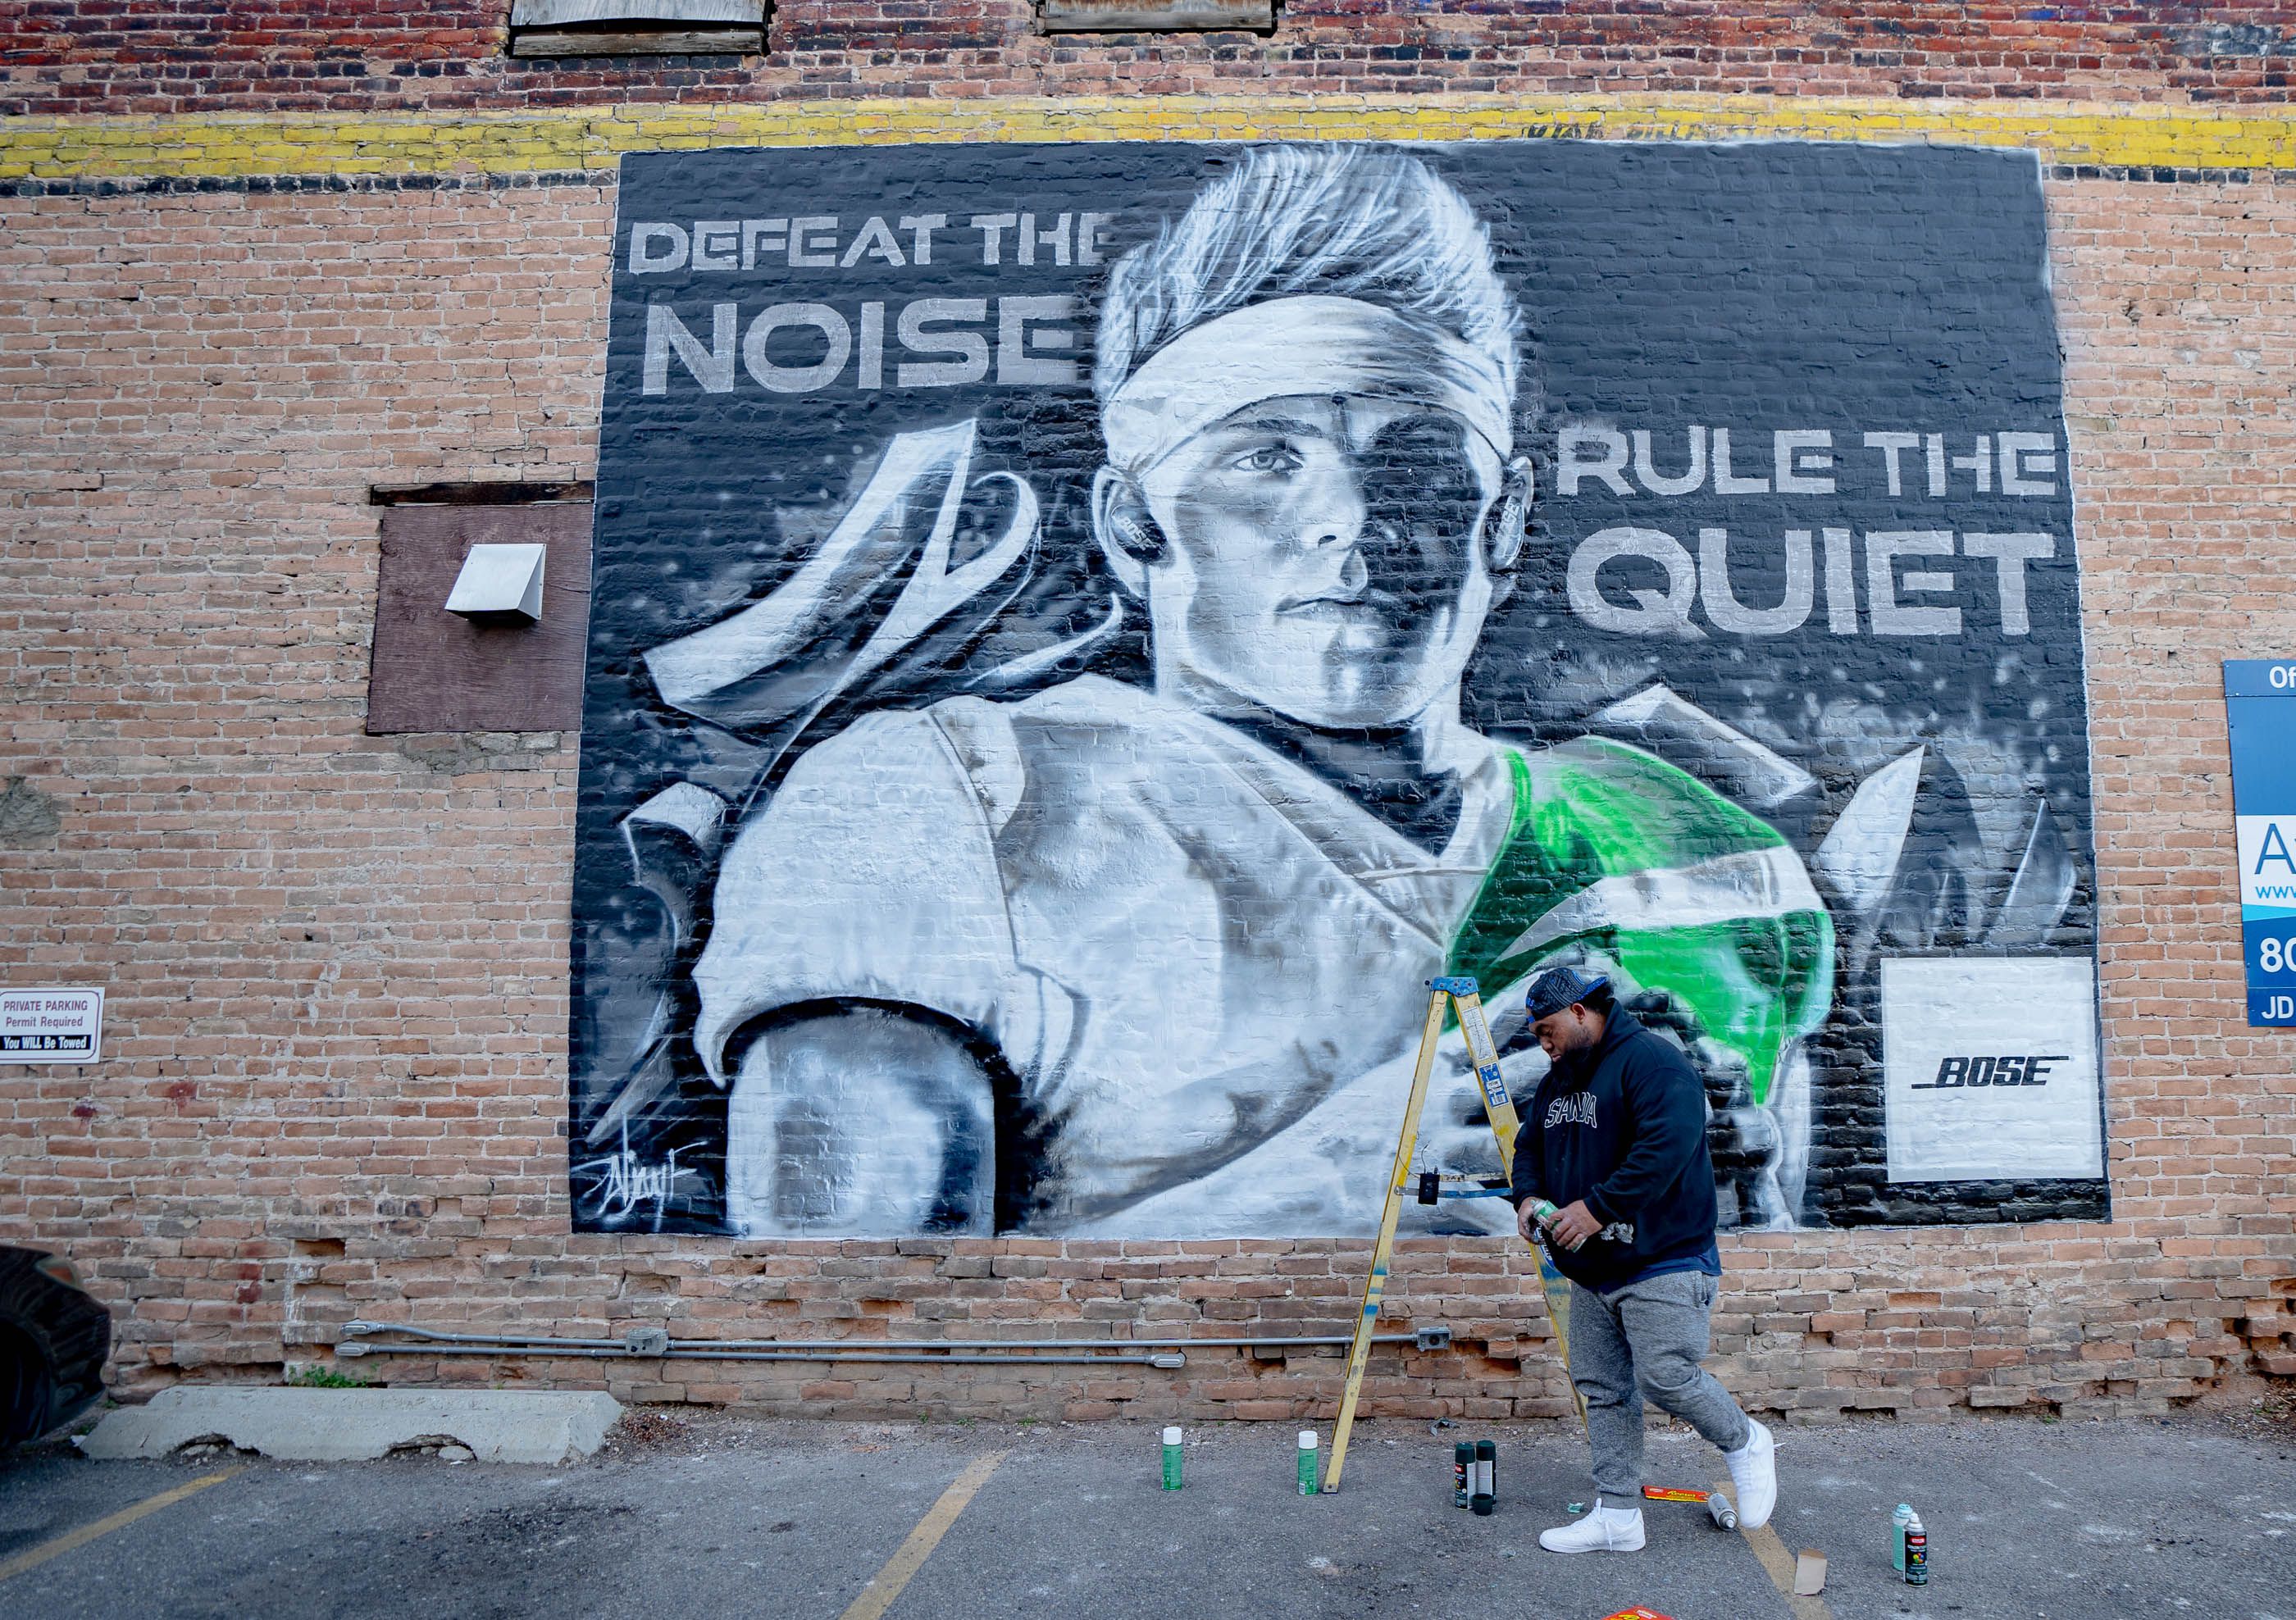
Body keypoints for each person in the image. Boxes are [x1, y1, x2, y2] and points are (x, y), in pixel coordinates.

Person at [686, 144, 1832, 1236]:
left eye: (1422, 455)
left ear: (1507, 517)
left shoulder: (1694, 854)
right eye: (1263, 456)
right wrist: (1359, 1181)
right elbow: (844, 1325)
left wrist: (1731, 1229)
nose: (1355, 515)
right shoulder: (949, 802)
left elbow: (1770, 1259)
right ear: (1133, 520)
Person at [1510, 962, 1779, 1552]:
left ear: (1582, 1012)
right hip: (1593, 1271)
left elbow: (1669, 1145)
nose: (1542, 1039)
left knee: (1666, 1376)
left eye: (1548, 1026)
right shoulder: (1560, 1078)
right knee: (1603, 1389)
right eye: (1536, 1030)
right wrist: (1527, 1197)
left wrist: (1597, 1208)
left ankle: (1744, 1441)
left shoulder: (1653, 1063)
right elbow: (1527, 1143)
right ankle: (1618, 1515)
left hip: (1664, 1259)